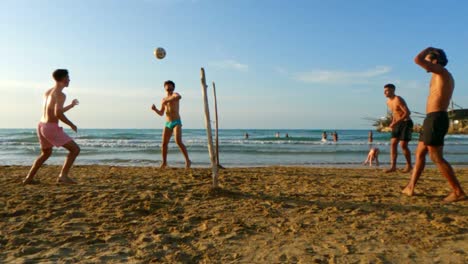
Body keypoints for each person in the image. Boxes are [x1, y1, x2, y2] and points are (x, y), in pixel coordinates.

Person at [402, 47, 465, 202]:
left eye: (429, 60)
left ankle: (458, 192)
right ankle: (410, 187)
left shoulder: (442, 72)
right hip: (431, 118)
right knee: (420, 154)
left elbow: (417, 60)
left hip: (436, 118)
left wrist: (430, 49)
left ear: (435, 61)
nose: (426, 64)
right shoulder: (438, 75)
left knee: (436, 157)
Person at [23, 69, 81, 185]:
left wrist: (70, 105)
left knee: (45, 153)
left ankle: (29, 178)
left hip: (41, 125)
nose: (69, 80)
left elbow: (54, 111)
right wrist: (71, 124)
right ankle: (63, 176)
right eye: (68, 77)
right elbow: (58, 114)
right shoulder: (60, 94)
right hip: (50, 127)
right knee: (75, 149)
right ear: (63, 79)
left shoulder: (48, 92)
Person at [151, 80, 191, 169]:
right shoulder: (163, 100)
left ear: (173, 87)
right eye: (167, 86)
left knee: (178, 141)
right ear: (164, 88)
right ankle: (164, 162)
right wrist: (155, 109)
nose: (168, 88)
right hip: (168, 123)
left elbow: (179, 97)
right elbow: (161, 113)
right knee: (164, 144)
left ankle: (187, 160)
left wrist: (168, 99)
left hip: (176, 121)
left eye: (170, 86)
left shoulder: (175, 94)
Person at [383, 83, 413, 173]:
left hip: (406, 123)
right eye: (384, 91)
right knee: (393, 144)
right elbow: (394, 113)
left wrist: (396, 122)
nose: (385, 93)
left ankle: (409, 165)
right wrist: (392, 122)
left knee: (403, 145)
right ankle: (393, 167)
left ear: (392, 90)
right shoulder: (388, 102)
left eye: (387, 90)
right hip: (397, 124)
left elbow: (407, 113)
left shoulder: (398, 99)